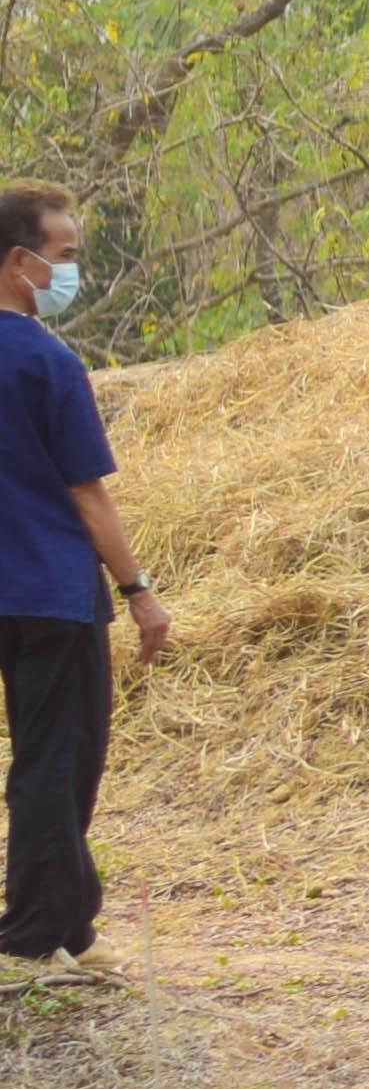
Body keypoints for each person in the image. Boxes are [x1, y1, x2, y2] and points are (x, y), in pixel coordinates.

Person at [0, 188, 171, 982]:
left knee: (48, 762)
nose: (73, 271)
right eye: (65, 257)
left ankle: (71, 923)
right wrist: (138, 589)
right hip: (50, 592)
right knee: (59, 764)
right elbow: (87, 494)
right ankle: (31, 938)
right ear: (19, 262)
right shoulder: (47, 364)